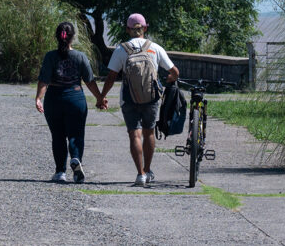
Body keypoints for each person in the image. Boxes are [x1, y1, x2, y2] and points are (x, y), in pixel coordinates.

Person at [98, 13, 179, 187]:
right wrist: (168, 81)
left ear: (128, 29)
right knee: (149, 132)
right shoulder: (155, 48)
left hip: (129, 98)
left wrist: (102, 96)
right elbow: (175, 71)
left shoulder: (121, 49)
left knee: (134, 134)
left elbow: (111, 76)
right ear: (145, 28)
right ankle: (148, 170)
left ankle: (139, 174)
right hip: (151, 98)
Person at [35, 21, 106, 183]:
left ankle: (60, 172)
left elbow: (43, 81)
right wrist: (100, 98)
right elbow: (89, 81)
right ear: (73, 37)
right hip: (75, 100)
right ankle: (75, 159)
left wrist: (38, 98)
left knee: (58, 136)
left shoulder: (50, 56)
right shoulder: (80, 56)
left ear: (57, 37)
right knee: (76, 135)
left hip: (54, 100)